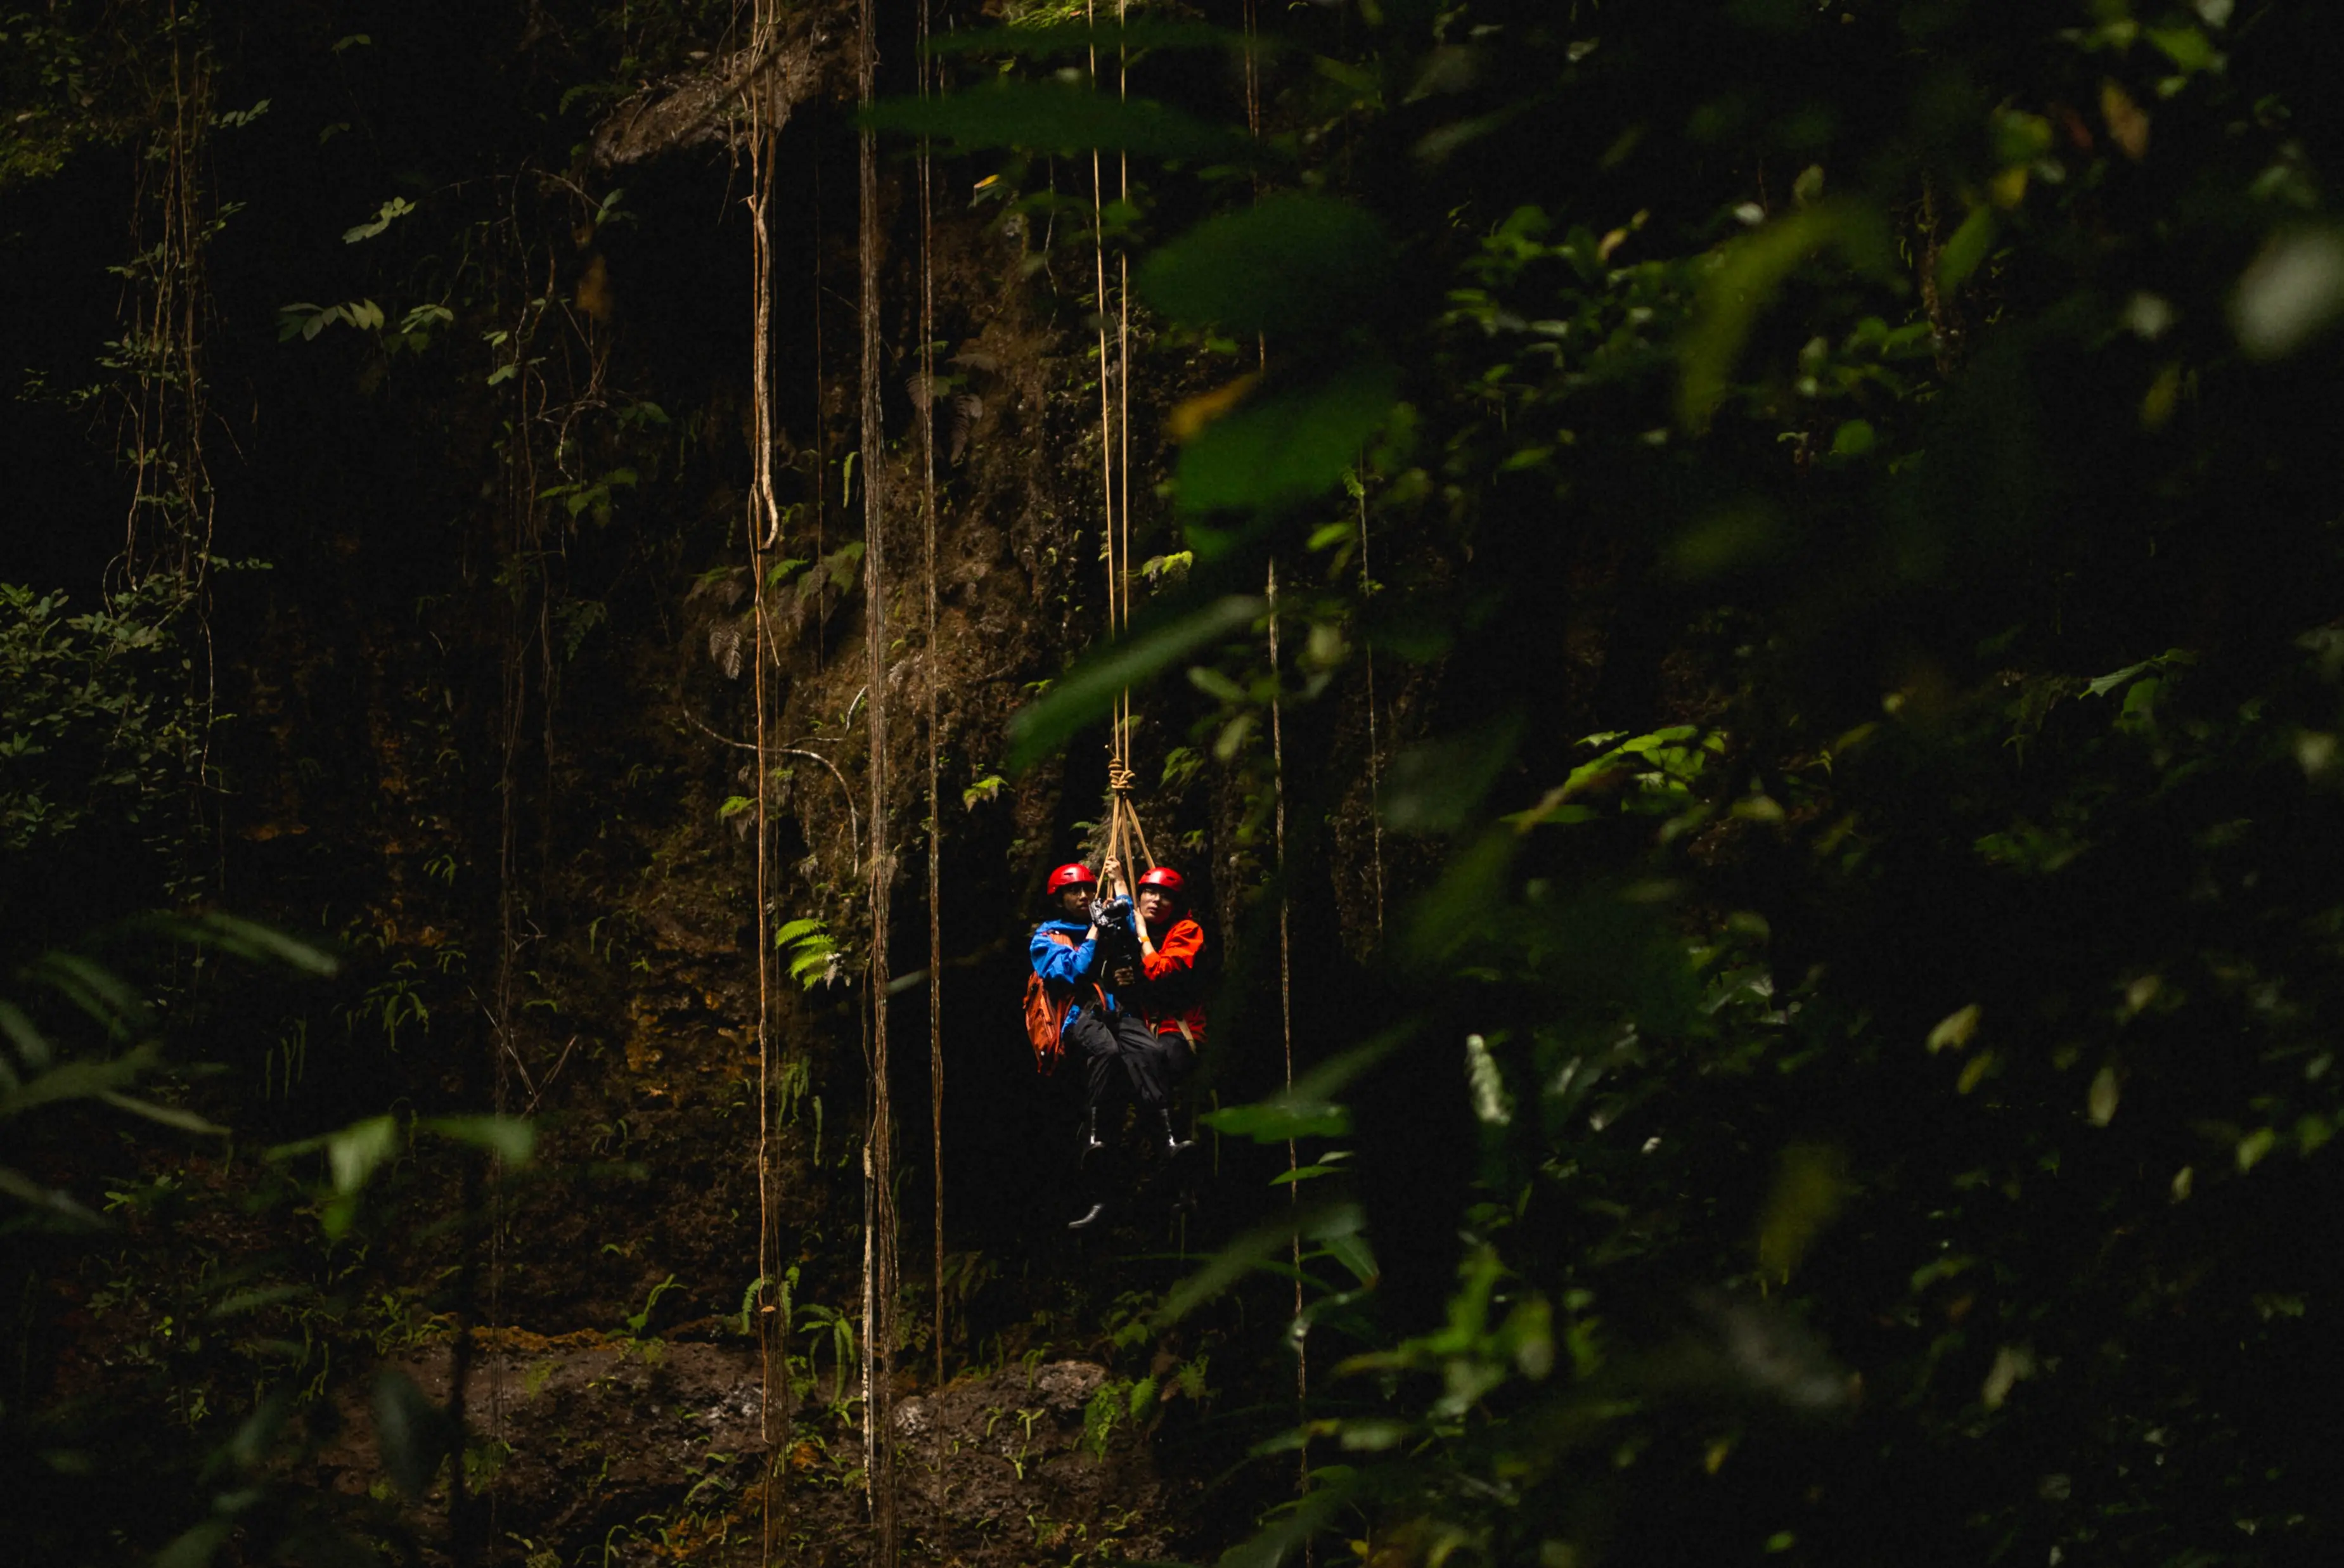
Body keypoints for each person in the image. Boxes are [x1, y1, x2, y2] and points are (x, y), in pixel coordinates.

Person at [1029, 861, 1164, 1230]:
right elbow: (1071, 972)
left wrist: (1119, 883)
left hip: (1113, 1010)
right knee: (1107, 1053)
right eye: (1074, 891)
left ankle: (1167, 1139)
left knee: (1152, 1052)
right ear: (1059, 899)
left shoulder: (1103, 922)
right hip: (1077, 1018)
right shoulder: (1047, 937)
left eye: (1088, 889)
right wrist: (1093, 932)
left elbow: (1130, 925)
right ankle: (1093, 1138)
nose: (1084, 896)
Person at [1123, 863, 1206, 1141]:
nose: (1156, 900)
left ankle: (1169, 1137)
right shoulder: (1131, 935)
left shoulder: (1187, 931)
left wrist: (1143, 935)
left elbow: (1161, 971)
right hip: (1147, 1027)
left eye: (1165, 896)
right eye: (1149, 893)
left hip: (1180, 1029)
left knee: (1160, 1057)